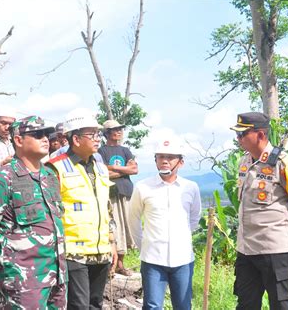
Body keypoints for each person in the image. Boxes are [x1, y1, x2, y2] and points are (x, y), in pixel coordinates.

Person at [0, 116, 67, 309]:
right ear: (18, 140)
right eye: (37, 134)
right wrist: (10, 260)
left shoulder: (50, 176)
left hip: (56, 275)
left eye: (46, 134)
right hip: (23, 281)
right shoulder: (0, 180)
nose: (45, 139)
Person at [230, 112, 288, 309]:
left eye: (242, 134)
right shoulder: (244, 162)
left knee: (283, 305)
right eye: (237, 135)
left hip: (277, 250)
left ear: (260, 135)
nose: (238, 139)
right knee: (246, 304)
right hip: (247, 249)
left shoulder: (284, 164)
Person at [47, 108, 118, 310]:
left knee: (95, 304)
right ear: (76, 139)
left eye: (98, 134)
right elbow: (50, 213)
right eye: (92, 135)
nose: (98, 139)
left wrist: (111, 241)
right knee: (78, 306)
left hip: (101, 250)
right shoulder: (55, 168)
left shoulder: (101, 167)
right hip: (72, 252)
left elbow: (107, 208)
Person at [128, 138, 201, 309]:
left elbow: (194, 218)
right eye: (160, 157)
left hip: (182, 259)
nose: (165, 161)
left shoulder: (190, 187)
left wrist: (181, 239)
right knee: (152, 306)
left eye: (170, 157)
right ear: (155, 160)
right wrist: (145, 245)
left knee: (183, 305)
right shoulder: (143, 187)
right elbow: (133, 219)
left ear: (180, 162)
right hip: (153, 259)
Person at [98, 119, 138, 276]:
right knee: (115, 227)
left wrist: (114, 168)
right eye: (115, 129)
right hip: (111, 193)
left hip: (126, 193)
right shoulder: (101, 152)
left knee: (127, 226)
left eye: (120, 129)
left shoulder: (126, 150)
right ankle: (112, 265)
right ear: (107, 133)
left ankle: (121, 264)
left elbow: (134, 170)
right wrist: (123, 170)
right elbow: (102, 171)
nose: (119, 132)